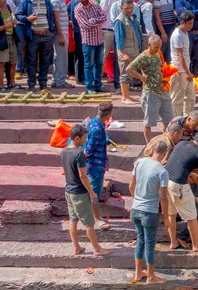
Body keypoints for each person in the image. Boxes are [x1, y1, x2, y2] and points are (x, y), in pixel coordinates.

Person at [61, 124, 114, 256]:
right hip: (79, 193)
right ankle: (97, 249)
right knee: (89, 223)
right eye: (84, 138)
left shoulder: (64, 151)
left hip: (68, 191)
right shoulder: (79, 154)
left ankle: (76, 247)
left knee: (73, 220)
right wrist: (92, 193)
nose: (86, 141)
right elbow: (83, 176)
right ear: (77, 138)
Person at [129, 139, 170, 284]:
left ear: (152, 150)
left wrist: (137, 200)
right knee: (150, 243)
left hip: (135, 209)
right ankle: (151, 276)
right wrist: (165, 217)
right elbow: (164, 199)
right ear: (165, 154)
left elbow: (131, 186)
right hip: (149, 212)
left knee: (140, 240)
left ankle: (138, 272)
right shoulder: (162, 171)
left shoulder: (140, 162)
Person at [164, 130, 198, 252]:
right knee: (192, 216)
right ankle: (196, 244)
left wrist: (189, 174)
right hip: (178, 185)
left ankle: (173, 242)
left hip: (165, 182)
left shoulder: (181, 144)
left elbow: (177, 164)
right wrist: (196, 179)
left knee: (171, 213)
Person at [126, 34, 174, 144]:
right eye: (156, 47)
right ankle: (148, 144)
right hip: (150, 93)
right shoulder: (143, 56)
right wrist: (141, 77)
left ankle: (166, 142)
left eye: (160, 46)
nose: (158, 49)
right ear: (149, 45)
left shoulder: (158, 54)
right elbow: (129, 68)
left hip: (163, 91)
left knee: (168, 120)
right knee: (149, 122)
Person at [84, 102, 114, 230]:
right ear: (108, 115)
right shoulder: (97, 129)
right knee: (95, 192)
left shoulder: (94, 123)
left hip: (97, 163)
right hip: (95, 165)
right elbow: (89, 150)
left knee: (96, 190)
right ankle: (95, 219)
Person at [16, 0, 56, 91]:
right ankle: (31, 84)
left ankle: (43, 84)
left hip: (46, 34)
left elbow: (50, 16)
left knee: (45, 61)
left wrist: (51, 32)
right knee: (31, 61)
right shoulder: (26, 2)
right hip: (33, 35)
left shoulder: (46, 2)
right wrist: (27, 19)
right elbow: (18, 15)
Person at [74, 0, 107, 94]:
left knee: (99, 64)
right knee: (89, 65)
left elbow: (104, 17)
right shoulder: (78, 9)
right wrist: (97, 20)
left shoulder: (95, 4)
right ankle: (89, 87)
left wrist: (93, 20)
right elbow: (85, 25)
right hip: (88, 41)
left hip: (99, 40)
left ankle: (98, 85)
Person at [114, 0, 142, 103]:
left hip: (134, 51)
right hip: (126, 53)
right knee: (125, 75)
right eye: (126, 8)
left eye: (131, 8)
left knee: (130, 74)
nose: (129, 10)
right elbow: (119, 40)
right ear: (121, 8)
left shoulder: (133, 18)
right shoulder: (119, 21)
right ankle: (124, 97)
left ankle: (128, 96)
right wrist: (124, 54)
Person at [170, 11, 196, 117]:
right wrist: (186, 72)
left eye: (192, 23)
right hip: (178, 71)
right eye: (189, 23)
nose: (191, 26)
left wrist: (188, 71)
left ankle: (187, 120)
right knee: (177, 99)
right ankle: (175, 122)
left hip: (186, 70)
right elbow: (179, 55)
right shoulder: (177, 35)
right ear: (182, 22)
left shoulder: (185, 33)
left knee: (191, 97)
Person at [0, 0, 18, 91]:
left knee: (13, 62)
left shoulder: (8, 7)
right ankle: (1, 85)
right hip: (1, 39)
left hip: (11, 38)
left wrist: (13, 22)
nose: (4, 1)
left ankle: (12, 83)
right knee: (1, 63)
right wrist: (6, 26)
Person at [175, 0, 198, 77]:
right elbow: (182, 14)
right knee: (186, 56)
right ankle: (187, 76)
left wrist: (189, 13)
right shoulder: (179, 1)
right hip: (187, 34)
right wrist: (197, 11)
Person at [51, 0, 74, 88]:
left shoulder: (60, 1)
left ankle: (55, 80)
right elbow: (56, 19)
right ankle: (60, 81)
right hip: (60, 33)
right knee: (62, 57)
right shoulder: (56, 1)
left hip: (63, 32)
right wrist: (60, 35)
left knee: (58, 57)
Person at [100, 0, 120, 93]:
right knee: (102, 56)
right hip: (107, 30)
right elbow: (100, 13)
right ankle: (96, 82)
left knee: (119, 57)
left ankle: (119, 82)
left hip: (117, 30)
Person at [68, 0, 85, 84]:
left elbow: (68, 10)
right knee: (81, 54)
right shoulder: (76, 2)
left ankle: (80, 76)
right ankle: (80, 77)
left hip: (78, 30)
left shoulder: (72, 2)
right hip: (80, 30)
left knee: (80, 54)